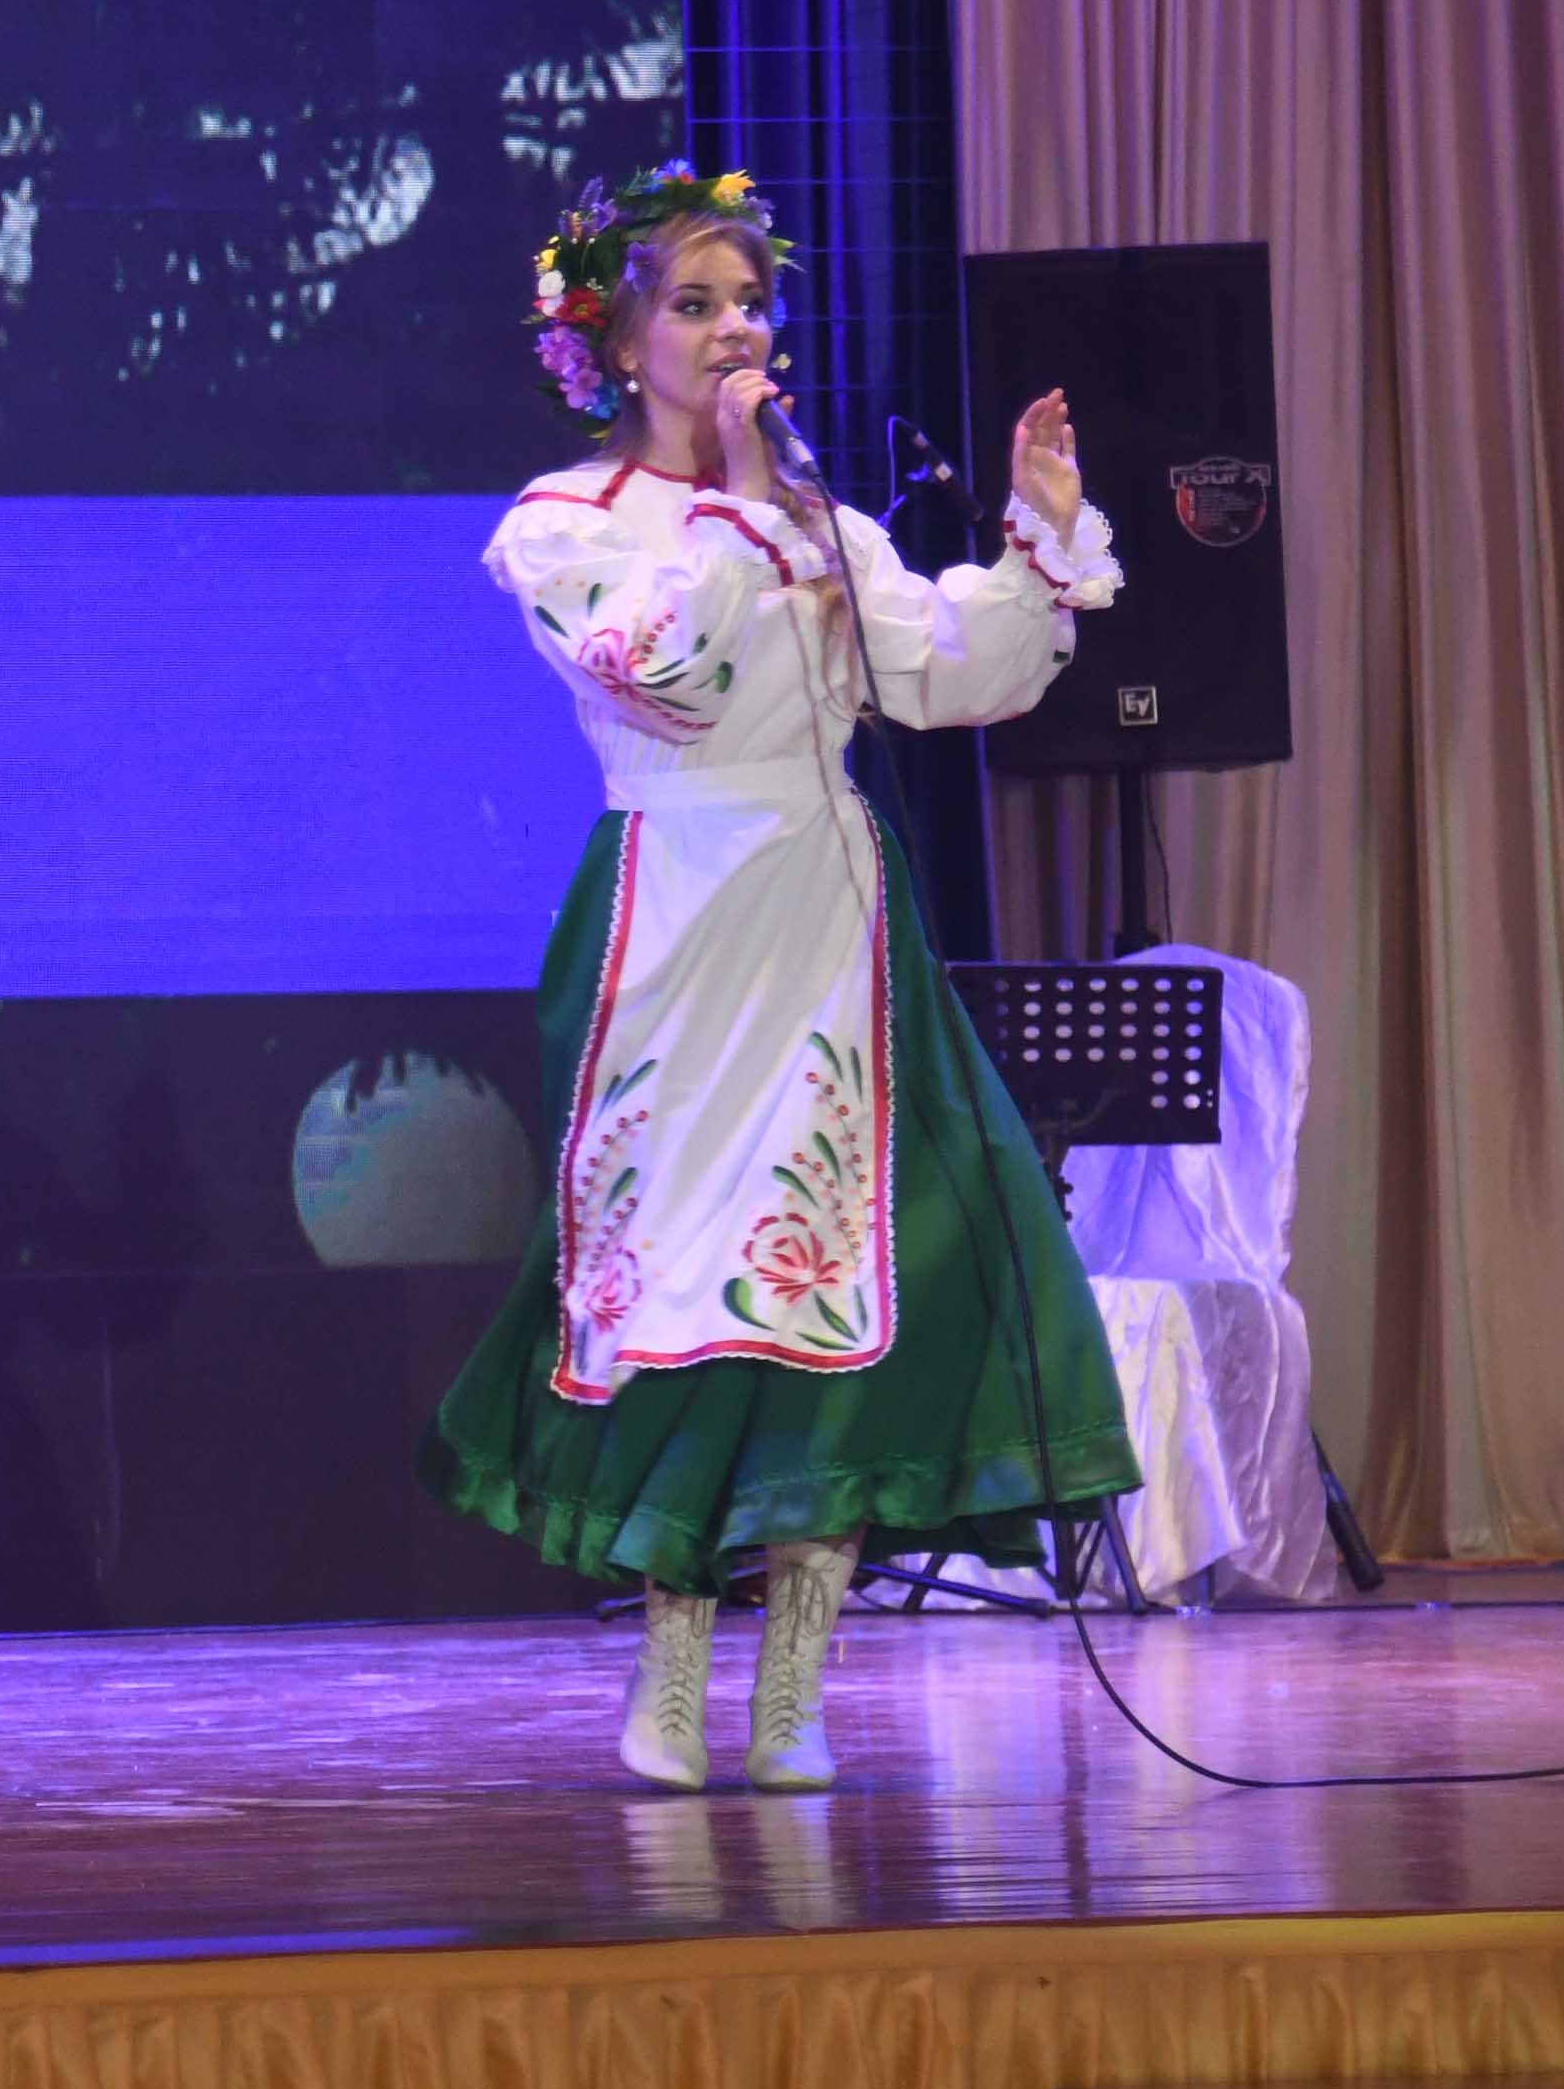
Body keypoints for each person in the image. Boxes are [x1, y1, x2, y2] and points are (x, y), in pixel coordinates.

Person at [420, 169, 1146, 1792]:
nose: (735, 329)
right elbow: (665, 670)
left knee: (842, 1288)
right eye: (694, 304)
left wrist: (1036, 541)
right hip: (675, 923)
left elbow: (949, 672)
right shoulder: (564, 523)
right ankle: (673, 1669)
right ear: (618, 343)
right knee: (685, 1297)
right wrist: (749, 506)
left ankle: (798, 1684)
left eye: (750, 301)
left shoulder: (824, 522)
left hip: (832, 927)